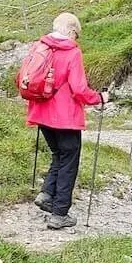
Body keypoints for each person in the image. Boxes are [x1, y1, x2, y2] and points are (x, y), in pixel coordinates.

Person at [26, 12, 109, 229]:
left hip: (40, 112)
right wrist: (99, 98)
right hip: (65, 117)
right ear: (71, 31)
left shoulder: (39, 46)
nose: (76, 38)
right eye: (77, 34)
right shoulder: (72, 52)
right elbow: (79, 89)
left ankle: (46, 195)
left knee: (59, 155)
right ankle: (60, 213)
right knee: (69, 160)